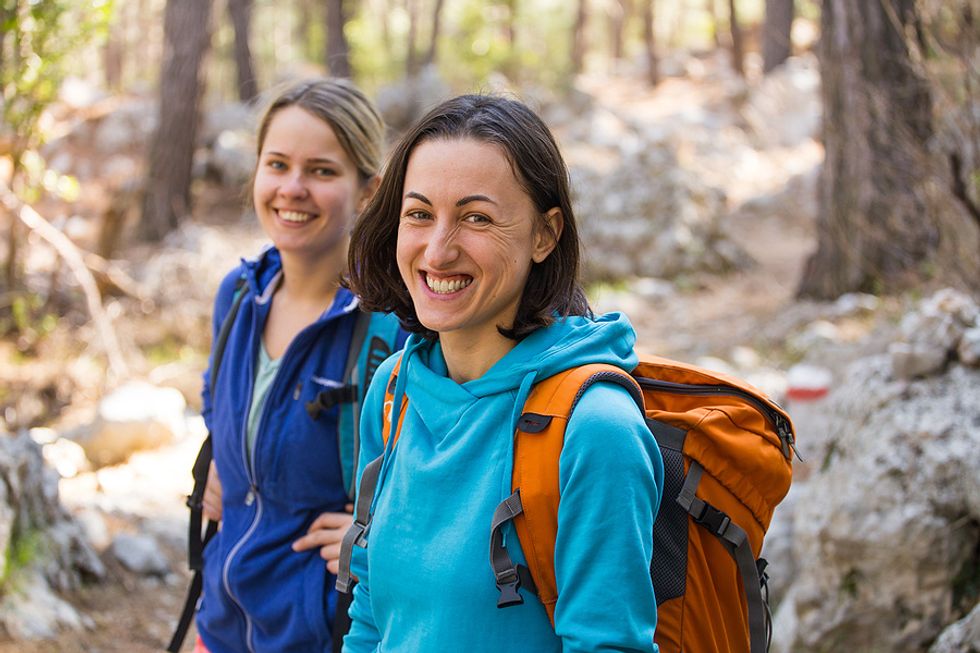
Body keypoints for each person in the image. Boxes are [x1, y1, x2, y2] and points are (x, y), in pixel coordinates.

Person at [342, 94, 665, 652]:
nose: (437, 252)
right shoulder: (393, 394)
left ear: (545, 235)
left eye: (476, 218)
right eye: (419, 213)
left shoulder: (594, 429)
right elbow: (370, 615)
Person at [193, 78, 405, 653]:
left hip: (321, 632)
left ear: (368, 191)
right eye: (277, 164)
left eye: (321, 171)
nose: (292, 188)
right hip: (221, 619)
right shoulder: (237, 296)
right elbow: (221, 414)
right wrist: (223, 471)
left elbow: (445, 482)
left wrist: (379, 538)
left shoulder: (396, 327)